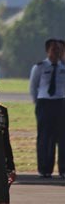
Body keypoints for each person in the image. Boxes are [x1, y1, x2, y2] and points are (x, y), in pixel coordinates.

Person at [29, 38, 65, 178]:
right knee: (44, 137)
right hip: (44, 102)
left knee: (62, 138)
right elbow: (33, 86)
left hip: (60, 103)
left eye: (59, 49)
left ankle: (63, 169)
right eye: (53, 49)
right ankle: (44, 169)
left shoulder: (63, 67)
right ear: (47, 51)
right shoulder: (39, 67)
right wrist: (36, 102)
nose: (56, 52)